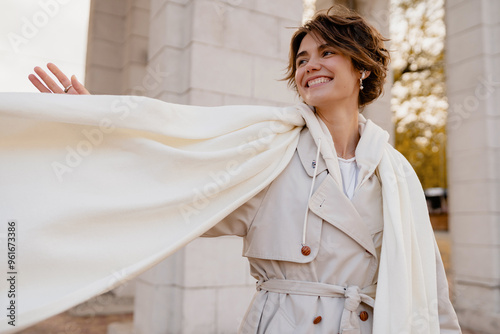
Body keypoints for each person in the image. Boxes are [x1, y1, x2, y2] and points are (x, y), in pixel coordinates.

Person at [25, 5, 461, 334]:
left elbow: (428, 285)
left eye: (327, 52)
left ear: (362, 68)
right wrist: (100, 132)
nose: (310, 65)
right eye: (303, 58)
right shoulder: (268, 151)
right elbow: (172, 178)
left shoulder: (397, 173)